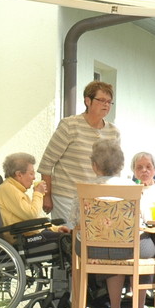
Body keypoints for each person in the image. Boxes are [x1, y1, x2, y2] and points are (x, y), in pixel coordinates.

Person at [83, 139, 155, 308]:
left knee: (112, 251)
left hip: (94, 248)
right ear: (123, 165)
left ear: (94, 165)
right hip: (128, 248)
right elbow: (146, 218)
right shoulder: (132, 188)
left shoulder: (85, 188)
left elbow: (76, 218)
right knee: (142, 248)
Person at [38, 81, 121, 227]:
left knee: (91, 243)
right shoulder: (70, 125)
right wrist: (47, 196)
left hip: (98, 199)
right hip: (66, 196)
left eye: (109, 102)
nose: (106, 105)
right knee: (71, 242)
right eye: (101, 100)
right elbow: (47, 163)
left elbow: (115, 168)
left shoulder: (113, 132)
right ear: (87, 101)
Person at [0, 152, 70, 242]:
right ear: (19, 175)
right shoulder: (7, 189)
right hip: (21, 238)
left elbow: (33, 218)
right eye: (31, 174)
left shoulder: (16, 190)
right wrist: (38, 193)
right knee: (66, 240)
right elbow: (32, 214)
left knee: (67, 237)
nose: (34, 178)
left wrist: (55, 228)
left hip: (30, 233)